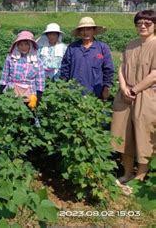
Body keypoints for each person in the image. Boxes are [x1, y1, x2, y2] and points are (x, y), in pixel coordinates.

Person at [111, 10, 156, 191]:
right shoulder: (131, 45)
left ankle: (139, 179)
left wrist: (135, 89)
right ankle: (127, 173)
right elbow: (121, 68)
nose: (143, 26)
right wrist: (123, 87)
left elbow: (154, 75)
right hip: (125, 96)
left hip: (146, 96)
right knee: (123, 135)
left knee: (143, 136)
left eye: (147, 23)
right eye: (139, 23)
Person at [60, 17, 114, 100]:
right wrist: (63, 86)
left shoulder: (102, 48)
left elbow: (108, 70)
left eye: (88, 29)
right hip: (74, 92)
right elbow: (65, 69)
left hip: (95, 92)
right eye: (82, 30)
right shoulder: (73, 47)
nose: (85, 32)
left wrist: (106, 88)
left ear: (93, 31)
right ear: (79, 32)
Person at [0, 31, 45, 107]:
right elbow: (5, 75)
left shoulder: (37, 61)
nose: (23, 47)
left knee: (28, 114)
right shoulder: (11, 58)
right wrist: (2, 90)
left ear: (31, 45)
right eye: (21, 45)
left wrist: (38, 97)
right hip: (12, 91)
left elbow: (40, 80)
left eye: (26, 44)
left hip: (30, 92)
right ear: (17, 46)